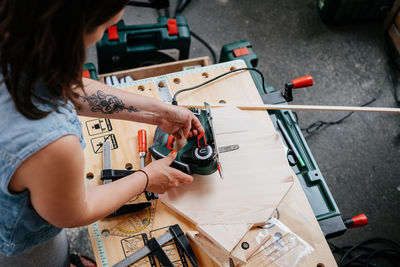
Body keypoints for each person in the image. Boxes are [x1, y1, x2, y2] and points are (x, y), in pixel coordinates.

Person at [0, 1, 203, 266]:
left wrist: (157, 112)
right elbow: (73, 212)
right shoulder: (51, 144)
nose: (107, 31)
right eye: (106, 25)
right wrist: (146, 177)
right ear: (72, 31)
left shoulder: (16, 32)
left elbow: (61, 87)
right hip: (18, 249)